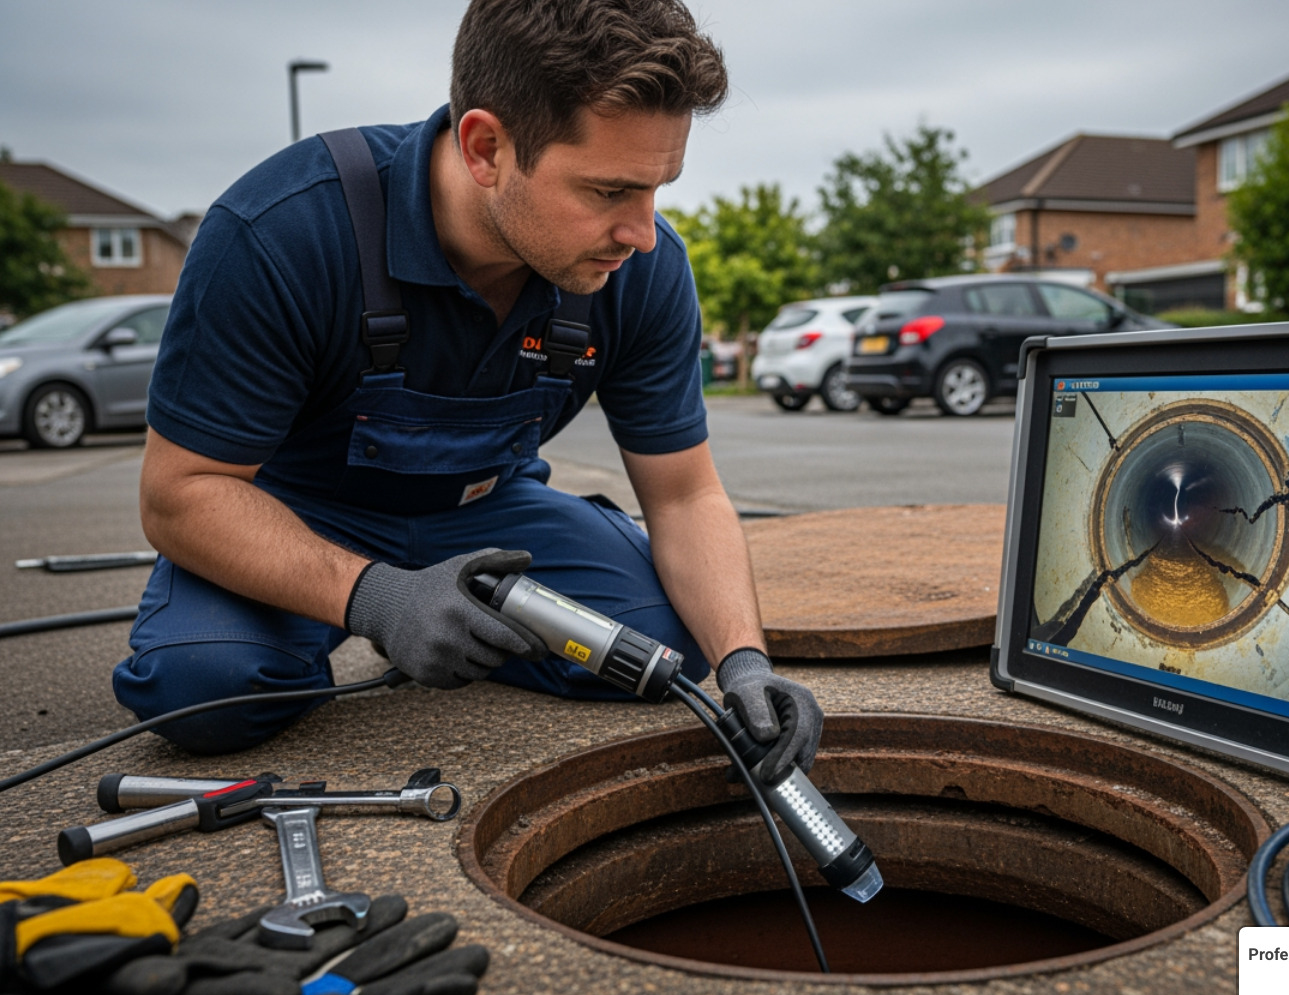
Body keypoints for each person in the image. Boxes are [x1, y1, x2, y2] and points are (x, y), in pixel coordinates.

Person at [111, 0, 822, 782]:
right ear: (486, 147)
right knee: (205, 691)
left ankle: (465, 623)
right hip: (293, 509)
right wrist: (377, 598)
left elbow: (686, 496)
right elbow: (181, 494)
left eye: (657, 188)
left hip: (487, 516)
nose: (643, 233)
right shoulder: (284, 232)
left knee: (663, 651)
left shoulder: (641, 268)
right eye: (608, 191)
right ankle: (338, 623)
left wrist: (745, 663)